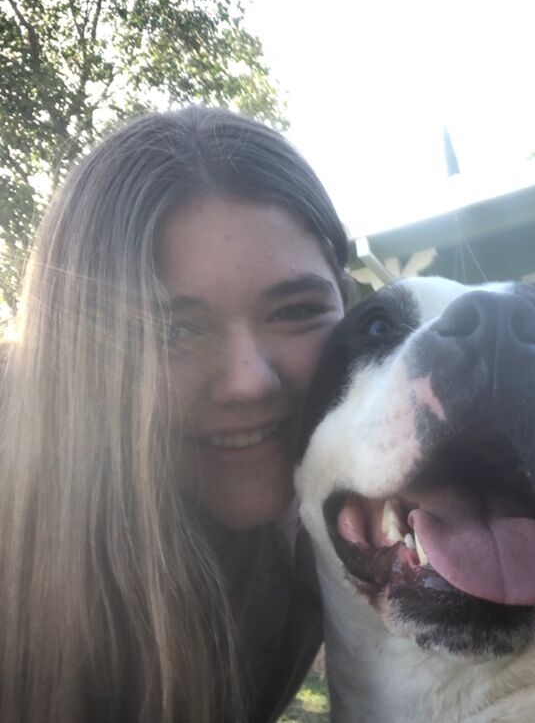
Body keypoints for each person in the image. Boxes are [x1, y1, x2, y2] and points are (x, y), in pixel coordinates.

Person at [0, 106, 353, 723]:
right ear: (74, 358)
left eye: (295, 311)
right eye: (173, 330)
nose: (248, 381)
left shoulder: (343, 528)